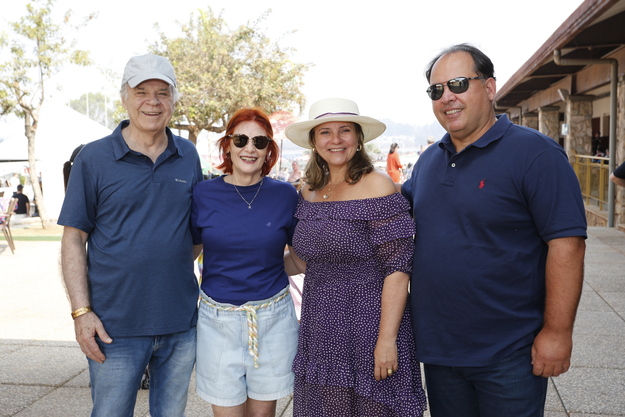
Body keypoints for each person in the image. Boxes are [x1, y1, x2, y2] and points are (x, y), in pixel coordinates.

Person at [402, 43, 587, 417]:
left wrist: (557, 332)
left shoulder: (536, 155)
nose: (447, 98)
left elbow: (567, 245)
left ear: (489, 88)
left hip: (509, 354)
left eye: (457, 84)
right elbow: (387, 220)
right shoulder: (427, 162)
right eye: (436, 90)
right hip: (439, 352)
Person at [59, 53, 203, 417]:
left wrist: (164, 264)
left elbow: (197, 233)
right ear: (124, 97)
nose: (152, 102)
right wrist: (81, 312)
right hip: (113, 327)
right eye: (142, 91)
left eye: (162, 93)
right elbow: (74, 238)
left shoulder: (188, 155)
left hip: (180, 324)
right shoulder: (93, 158)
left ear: (173, 100)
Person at [284, 97, 427, 416]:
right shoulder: (308, 191)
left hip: (371, 326)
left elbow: (398, 270)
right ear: (313, 141)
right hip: (321, 329)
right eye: (325, 132)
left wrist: (387, 341)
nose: (335, 140)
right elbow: (307, 262)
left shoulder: (378, 185)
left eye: (344, 130)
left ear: (358, 138)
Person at [191, 108, 299, 417]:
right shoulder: (203, 193)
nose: (249, 148)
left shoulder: (285, 195)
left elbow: (301, 258)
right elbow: (191, 251)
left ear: (269, 150)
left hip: (273, 319)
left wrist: (268, 269)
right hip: (217, 321)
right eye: (240, 139)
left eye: (260, 141)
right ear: (227, 145)